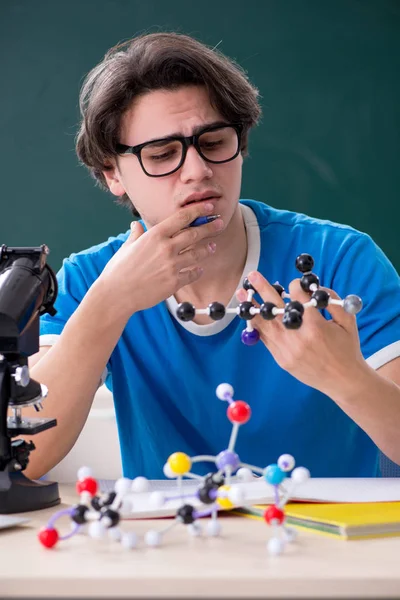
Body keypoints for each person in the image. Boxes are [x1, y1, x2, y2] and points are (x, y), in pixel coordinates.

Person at [27, 32, 400, 482]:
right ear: (112, 174)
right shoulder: (90, 280)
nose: (198, 170)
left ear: (240, 144)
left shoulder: (340, 259)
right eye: (163, 154)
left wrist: (345, 376)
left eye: (216, 142)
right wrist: (110, 303)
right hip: (173, 546)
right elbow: (23, 457)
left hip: (326, 543)